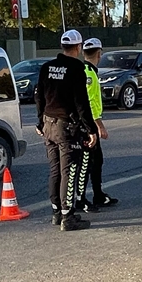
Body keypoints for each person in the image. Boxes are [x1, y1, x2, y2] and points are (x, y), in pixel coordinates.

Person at [35, 30, 98, 231]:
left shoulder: (47, 67)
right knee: (69, 171)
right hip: (65, 126)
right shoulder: (76, 68)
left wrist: (39, 123)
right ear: (78, 48)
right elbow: (81, 102)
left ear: (63, 47)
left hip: (48, 124)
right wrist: (91, 129)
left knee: (54, 170)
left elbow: (39, 97)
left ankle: (56, 212)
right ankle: (67, 217)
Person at [78, 37, 116, 212]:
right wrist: (99, 125)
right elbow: (90, 102)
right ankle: (83, 198)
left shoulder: (84, 70)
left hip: (85, 123)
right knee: (87, 163)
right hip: (88, 125)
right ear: (99, 54)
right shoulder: (90, 74)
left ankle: (98, 194)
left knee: (96, 161)